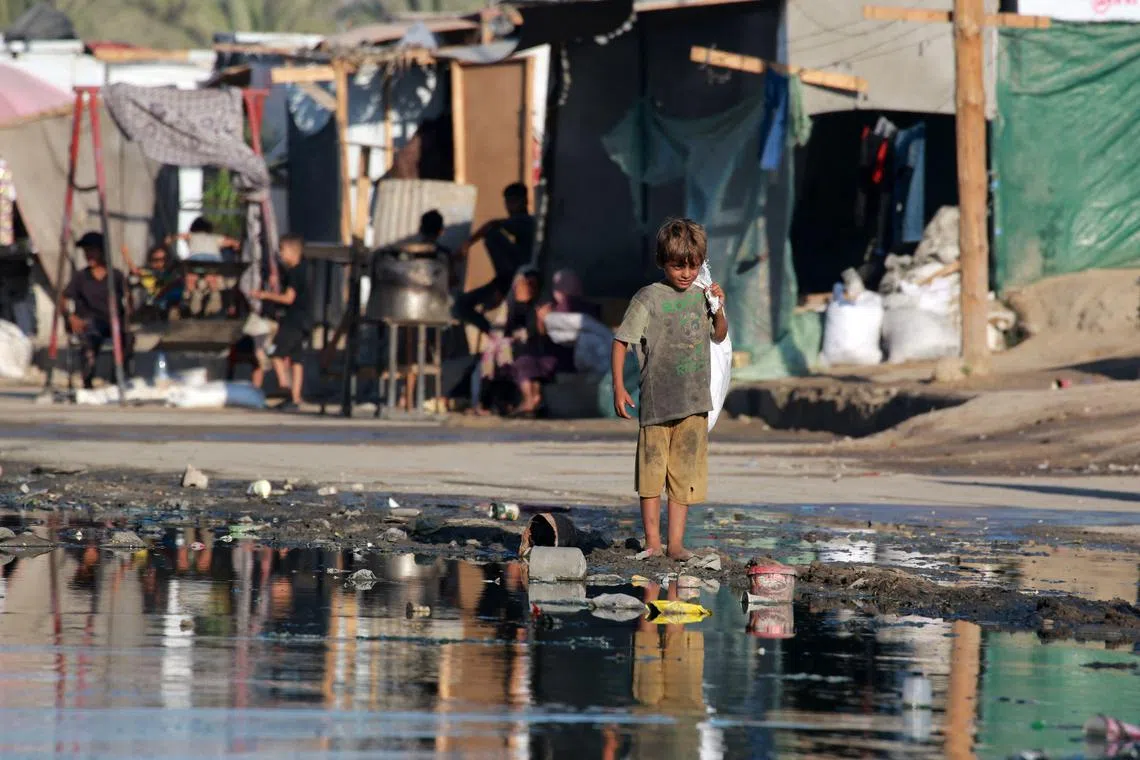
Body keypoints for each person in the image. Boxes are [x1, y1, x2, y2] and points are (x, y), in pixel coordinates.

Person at [611, 218, 728, 561]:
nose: (686, 273)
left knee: (684, 475)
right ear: (662, 261)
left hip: (694, 403)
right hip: (657, 402)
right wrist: (618, 387)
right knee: (651, 473)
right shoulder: (648, 298)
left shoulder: (702, 297)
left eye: (693, 265)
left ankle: (675, 544)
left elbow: (718, 336)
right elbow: (621, 341)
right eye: (678, 265)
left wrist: (719, 308)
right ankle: (653, 541)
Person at [453, 183, 535, 336]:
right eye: (507, 202)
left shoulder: (526, 221)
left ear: (523, 201)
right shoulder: (518, 226)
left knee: (491, 235)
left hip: (514, 280)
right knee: (461, 305)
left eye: (512, 202)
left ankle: (498, 335)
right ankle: (494, 335)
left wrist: (467, 244)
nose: (508, 207)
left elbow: (491, 225)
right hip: (505, 281)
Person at [64, 231, 133, 389]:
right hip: (89, 321)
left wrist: (129, 301)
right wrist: (71, 317)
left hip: (112, 321)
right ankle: (87, 379)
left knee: (127, 338)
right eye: (86, 252)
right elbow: (65, 298)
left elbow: (127, 299)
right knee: (90, 337)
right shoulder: (80, 277)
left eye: (92, 251)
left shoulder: (115, 275)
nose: (89, 255)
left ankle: (117, 377)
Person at [250, 233, 310, 412]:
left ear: (292, 252)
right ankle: (296, 398)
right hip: (305, 320)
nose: (281, 256)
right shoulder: (305, 269)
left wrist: (265, 295)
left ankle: (285, 388)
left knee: (274, 352)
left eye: (283, 251)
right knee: (297, 360)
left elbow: (288, 298)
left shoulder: (294, 272)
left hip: (292, 321)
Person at [169, 217, 241, 317]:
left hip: (195, 260)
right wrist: (236, 245)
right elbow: (231, 242)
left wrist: (170, 239)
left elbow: (180, 236)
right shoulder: (215, 237)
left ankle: (192, 295)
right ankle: (215, 295)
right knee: (211, 278)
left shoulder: (192, 235)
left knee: (191, 277)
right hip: (213, 261)